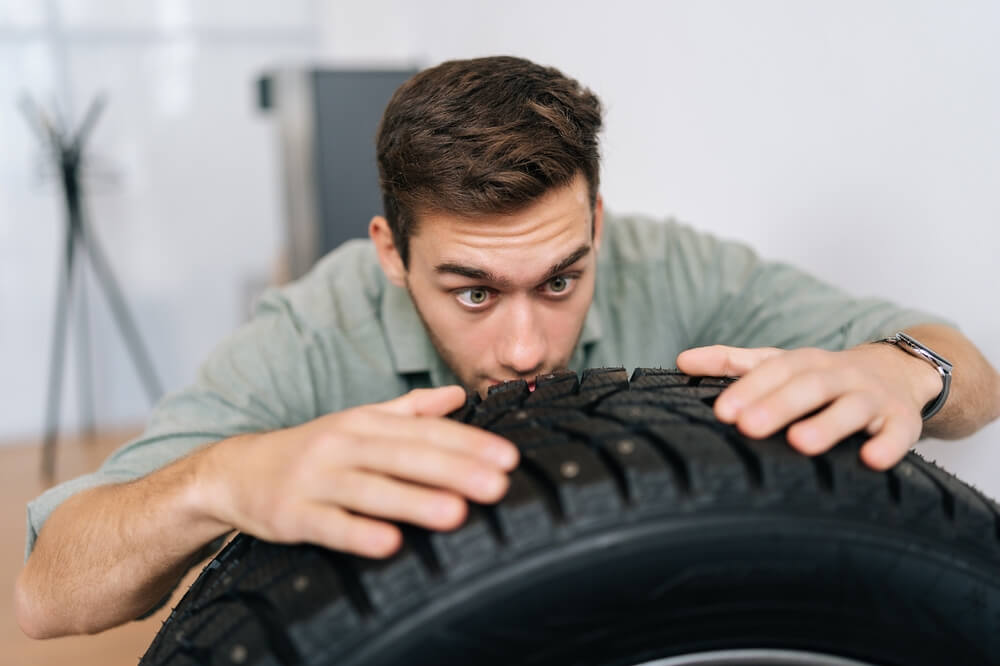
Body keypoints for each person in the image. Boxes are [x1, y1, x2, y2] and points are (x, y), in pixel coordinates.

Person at [15, 56, 1000, 639]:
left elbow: (968, 374)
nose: (526, 345)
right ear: (391, 254)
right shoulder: (310, 334)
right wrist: (218, 480)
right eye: (473, 290)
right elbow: (47, 596)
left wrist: (905, 371)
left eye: (561, 279)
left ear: (598, 226)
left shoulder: (674, 266)